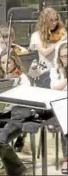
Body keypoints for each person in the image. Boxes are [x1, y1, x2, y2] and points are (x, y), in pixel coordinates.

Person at [29, 7, 67, 73]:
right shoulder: (36, 35)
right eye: (51, 20)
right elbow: (45, 52)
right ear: (44, 21)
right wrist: (60, 41)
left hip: (61, 69)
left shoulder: (62, 33)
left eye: (56, 20)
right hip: (45, 71)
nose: (54, 23)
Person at [49, 41, 67, 174]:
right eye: (63, 56)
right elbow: (54, 89)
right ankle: (66, 159)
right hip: (59, 107)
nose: (65, 59)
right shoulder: (54, 70)